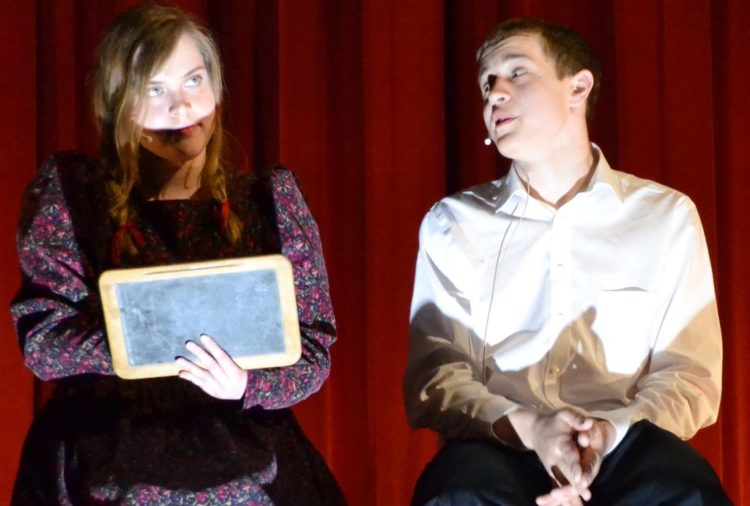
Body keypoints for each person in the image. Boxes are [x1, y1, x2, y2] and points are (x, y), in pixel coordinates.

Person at [11, 4, 345, 505]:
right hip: (110, 441)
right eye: (155, 89)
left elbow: (312, 350)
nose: (182, 106)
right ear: (119, 102)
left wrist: (246, 385)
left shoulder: (267, 200)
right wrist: (151, 344)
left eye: (193, 81)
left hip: (243, 442)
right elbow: (43, 343)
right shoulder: (76, 196)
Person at [404, 17, 731, 506]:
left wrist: (607, 433)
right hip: (502, 440)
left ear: (578, 88)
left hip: (626, 441)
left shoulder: (665, 216)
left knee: (686, 491)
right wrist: (533, 427)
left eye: (517, 73)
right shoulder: (453, 222)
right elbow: (437, 373)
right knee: (458, 494)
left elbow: (688, 374)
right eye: (486, 84)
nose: (495, 94)